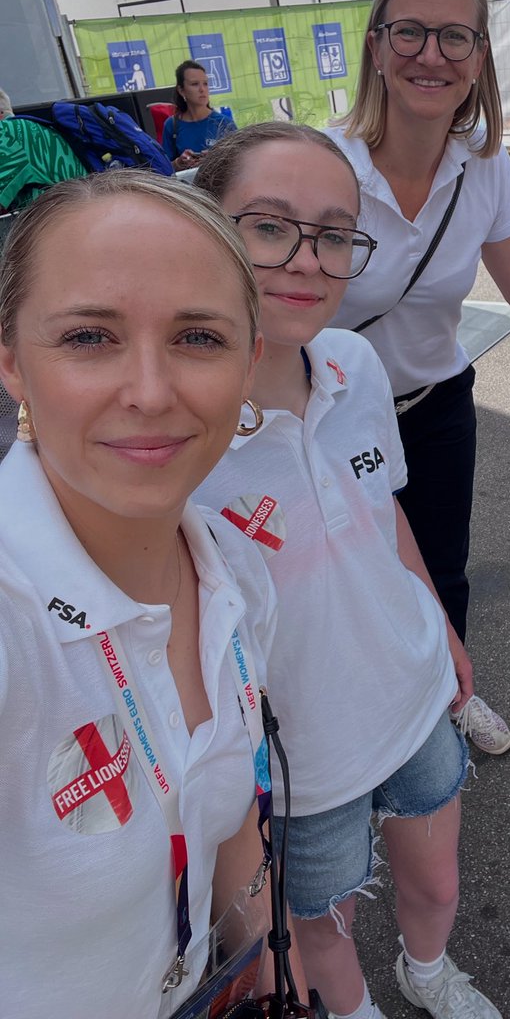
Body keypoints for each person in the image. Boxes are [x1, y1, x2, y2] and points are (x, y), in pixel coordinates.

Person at [194, 123, 503, 1019]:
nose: (307, 259)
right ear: (205, 226)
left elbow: (381, 509)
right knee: (319, 931)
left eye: (334, 233)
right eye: (268, 225)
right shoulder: (177, 432)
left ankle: (428, 970)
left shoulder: (355, 363)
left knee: (437, 887)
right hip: (300, 757)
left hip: (412, 697)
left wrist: (441, 624)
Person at [0, 171, 312, 1017]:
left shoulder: (235, 573)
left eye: (198, 339)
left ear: (251, 362)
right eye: (90, 337)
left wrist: (276, 968)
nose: (148, 390)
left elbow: (229, 817)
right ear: (10, 361)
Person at [327, 0, 510, 754]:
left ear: (479, 58)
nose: (431, 54)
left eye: (456, 36)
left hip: (434, 405)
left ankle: (452, 697)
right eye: (409, 31)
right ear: (377, 47)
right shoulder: (322, 165)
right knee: (341, 580)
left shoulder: (483, 169)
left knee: (443, 571)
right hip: (328, 417)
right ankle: (360, 732)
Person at [162, 59, 237, 172]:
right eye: (195, 84)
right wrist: (179, 163)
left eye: (205, 83)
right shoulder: (172, 125)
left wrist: (214, 159)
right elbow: (164, 168)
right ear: (181, 90)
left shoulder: (224, 123)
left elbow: (239, 161)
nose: (202, 89)